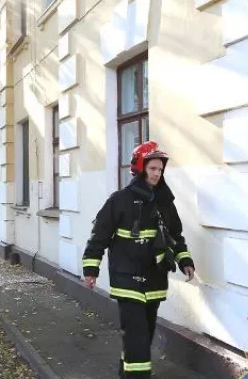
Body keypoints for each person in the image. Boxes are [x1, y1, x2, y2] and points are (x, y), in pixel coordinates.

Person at [81, 141, 195, 379]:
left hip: (154, 280)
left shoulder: (165, 203)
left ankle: (126, 372)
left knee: (144, 335)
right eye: (153, 168)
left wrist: (185, 261)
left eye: (160, 170)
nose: (157, 174)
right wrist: (91, 268)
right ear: (141, 168)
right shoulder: (119, 200)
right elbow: (99, 235)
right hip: (127, 279)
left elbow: (176, 235)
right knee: (137, 336)